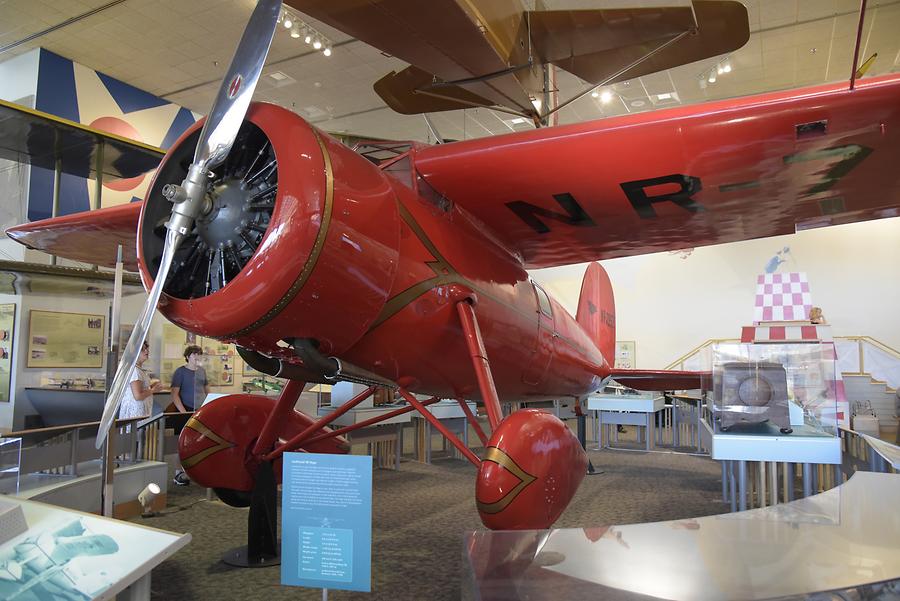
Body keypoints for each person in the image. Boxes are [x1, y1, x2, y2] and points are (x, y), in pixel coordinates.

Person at [171, 345, 208, 486]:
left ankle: (195, 471)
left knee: (197, 442)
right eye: (194, 354)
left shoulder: (202, 371)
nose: (196, 357)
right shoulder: (180, 372)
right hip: (185, 410)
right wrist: (183, 412)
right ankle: (178, 473)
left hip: (199, 410)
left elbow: (205, 389)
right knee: (181, 443)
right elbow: (174, 393)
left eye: (198, 354)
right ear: (188, 356)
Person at [117, 341, 161, 421]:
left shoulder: (139, 369)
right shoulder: (135, 370)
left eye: (146, 348)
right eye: (142, 349)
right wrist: (153, 390)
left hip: (140, 410)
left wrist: (151, 386)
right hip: (135, 411)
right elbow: (138, 396)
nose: (147, 351)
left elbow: (141, 388)